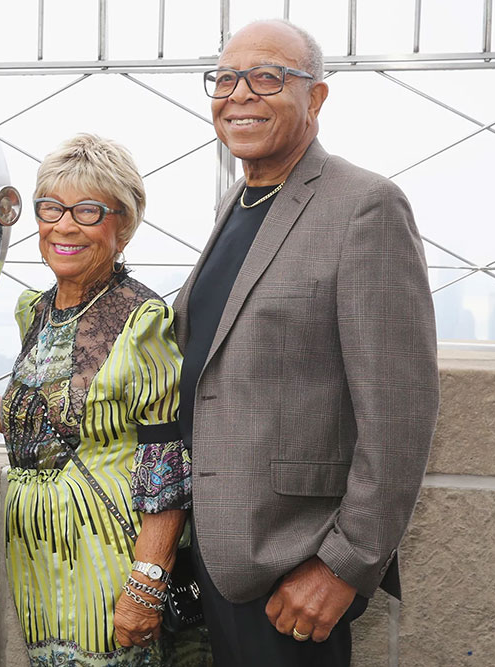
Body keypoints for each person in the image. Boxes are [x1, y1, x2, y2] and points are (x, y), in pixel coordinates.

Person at [172, 19, 439, 666]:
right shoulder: (238, 201)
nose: (239, 94)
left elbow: (400, 413)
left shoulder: (365, 207)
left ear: (316, 98)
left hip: (294, 570)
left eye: (267, 78)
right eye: (226, 78)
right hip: (213, 555)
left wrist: (344, 566)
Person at [0, 134, 210, 666]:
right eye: (51, 207)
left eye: (88, 210)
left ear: (124, 226)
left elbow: (168, 465)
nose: (64, 225)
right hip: (36, 555)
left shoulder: (143, 323)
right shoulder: (37, 310)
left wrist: (146, 584)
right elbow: (47, 422)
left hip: (106, 553)